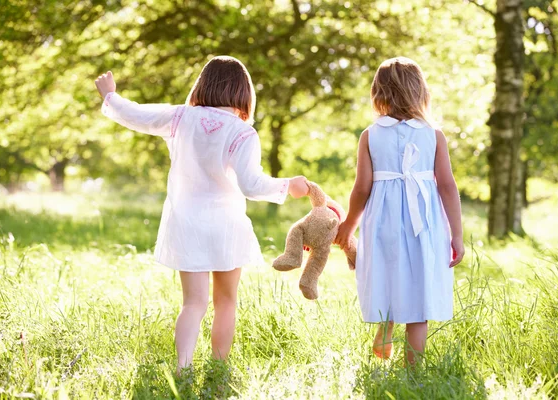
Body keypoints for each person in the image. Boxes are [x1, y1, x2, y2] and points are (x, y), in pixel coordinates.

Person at [94, 56, 308, 371]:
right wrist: (288, 185)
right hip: (226, 226)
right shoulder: (243, 133)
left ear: (202, 86)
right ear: (244, 94)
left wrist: (111, 96)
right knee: (226, 302)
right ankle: (219, 368)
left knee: (192, 304)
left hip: (187, 224)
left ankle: (182, 368)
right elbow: (251, 184)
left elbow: (137, 115)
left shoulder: (180, 118)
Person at [334, 57, 464, 365]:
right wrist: (456, 235)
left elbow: (362, 189)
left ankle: (386, 326)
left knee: (387, 274)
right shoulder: (433, 135)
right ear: (420, 92)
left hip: (384, 221)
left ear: (378, 93)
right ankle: (413, 375)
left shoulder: (371, 135)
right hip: (425, 224)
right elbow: (447, 186)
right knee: (419, 292)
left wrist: (348, 227)